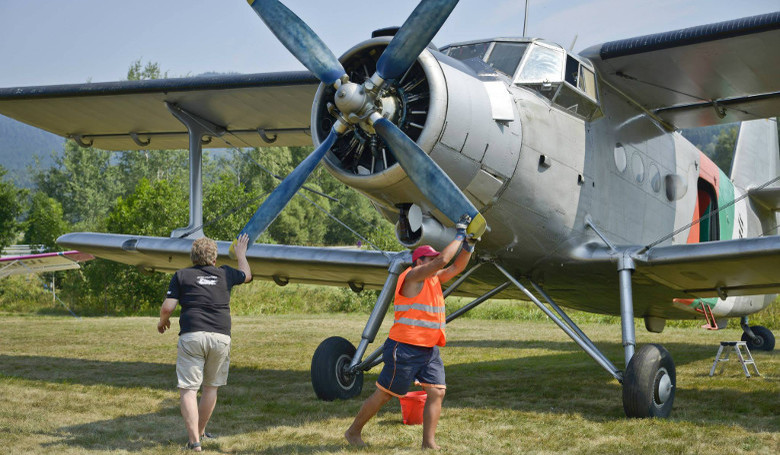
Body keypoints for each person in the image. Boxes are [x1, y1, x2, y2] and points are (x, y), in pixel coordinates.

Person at [345, 219, 476, 450]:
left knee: (436, 391)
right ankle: (353, 432)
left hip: (429, 347)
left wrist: (469, 245)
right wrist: (459, 234)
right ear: (419, 262)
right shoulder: (412, 277)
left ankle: (428, 443)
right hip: (404, 348)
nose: (436, 260)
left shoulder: (433, 278)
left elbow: (456, 267)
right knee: (385, 395)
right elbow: (445, 260)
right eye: (431, 258)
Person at [157, 233, 252, 452]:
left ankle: (195, 442)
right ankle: (199, 434)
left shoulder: (181, 275)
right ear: (214, 259)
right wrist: (241, 254)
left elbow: (167, 307)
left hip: (192, 336)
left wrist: (162, 322)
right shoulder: (226, 273)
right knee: (210, 388)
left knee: (188, 389)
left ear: (192, 258)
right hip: (221, 337)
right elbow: (247, 274)